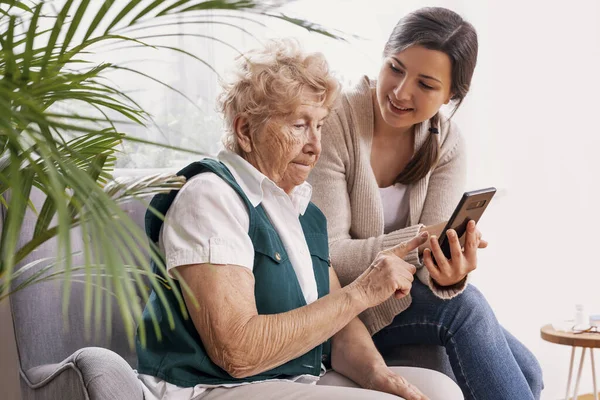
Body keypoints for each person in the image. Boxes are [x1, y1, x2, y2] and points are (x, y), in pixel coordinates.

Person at [135, 39, 463, 400]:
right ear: (245, 131)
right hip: (210, 388)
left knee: (442, 391)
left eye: (320, 126)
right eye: (298, 125)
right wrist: (363, 291)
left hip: (291, 381)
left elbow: (340, 331)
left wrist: (378, 375)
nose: (315, 146)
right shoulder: (210, 197)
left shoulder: (302, 210)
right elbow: (237, 352)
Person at [307, 7, 544, 400]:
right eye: (396, 68)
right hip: (346, 309)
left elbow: (427, 275)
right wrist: (423, 238)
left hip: (402, 299)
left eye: (426, 84)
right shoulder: (335, 124)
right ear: (383, 55)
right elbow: (330, 254)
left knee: (529, 371)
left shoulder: (447, 143)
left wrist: (448, 274)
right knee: (464, 309)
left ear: (451, 95)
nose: (401, 92)